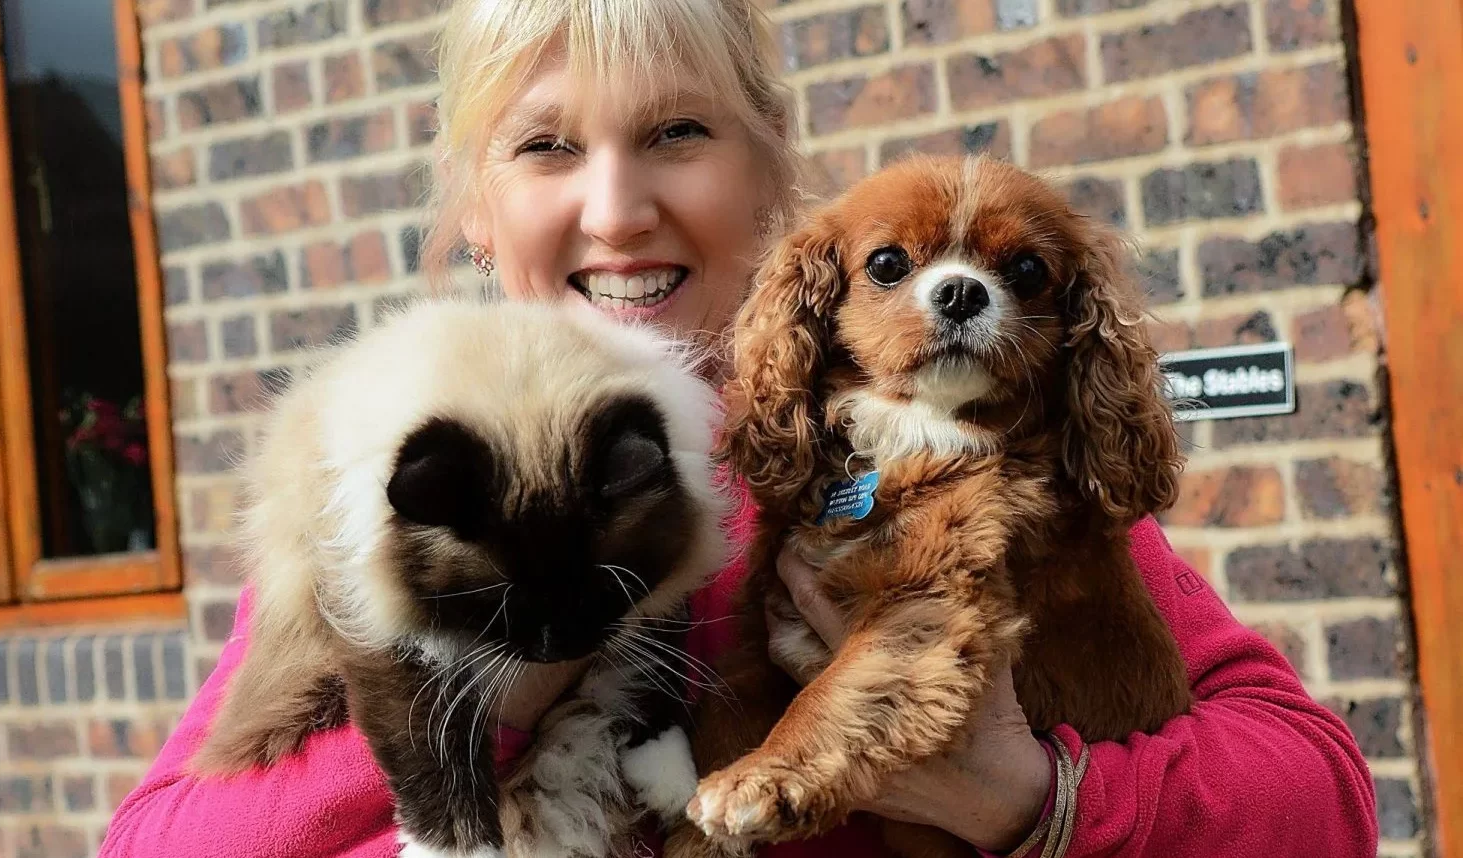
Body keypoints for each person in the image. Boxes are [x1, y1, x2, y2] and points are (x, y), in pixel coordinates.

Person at [100, 1, 1379, 856]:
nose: (616, 210)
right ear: (475, 217)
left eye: (677, 132)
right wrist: (489, 683)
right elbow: (159, 842)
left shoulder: (913, 455)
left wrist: (1021, 795)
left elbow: (1322, 800)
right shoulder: (420, 484)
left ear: (771, 173)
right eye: (545, 147)